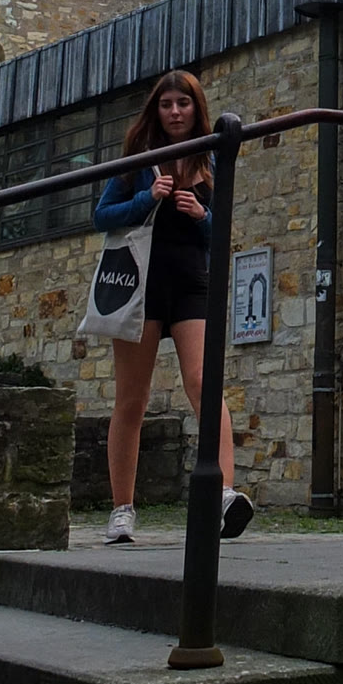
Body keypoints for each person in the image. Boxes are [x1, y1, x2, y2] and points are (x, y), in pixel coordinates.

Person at [94, 69, 252, 545]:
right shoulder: (141, 155)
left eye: (183, 104)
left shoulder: (212, 157)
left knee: (204, 383)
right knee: (132, 398)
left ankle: (222, 495)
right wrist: (147, 198)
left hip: (191, 283)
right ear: (156, 110)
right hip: (139, 282)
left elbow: (221, 231)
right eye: (167, 105)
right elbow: (102, 216)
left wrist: (202, 215)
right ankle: (122, 510)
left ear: (196, 108)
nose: (175, 112)